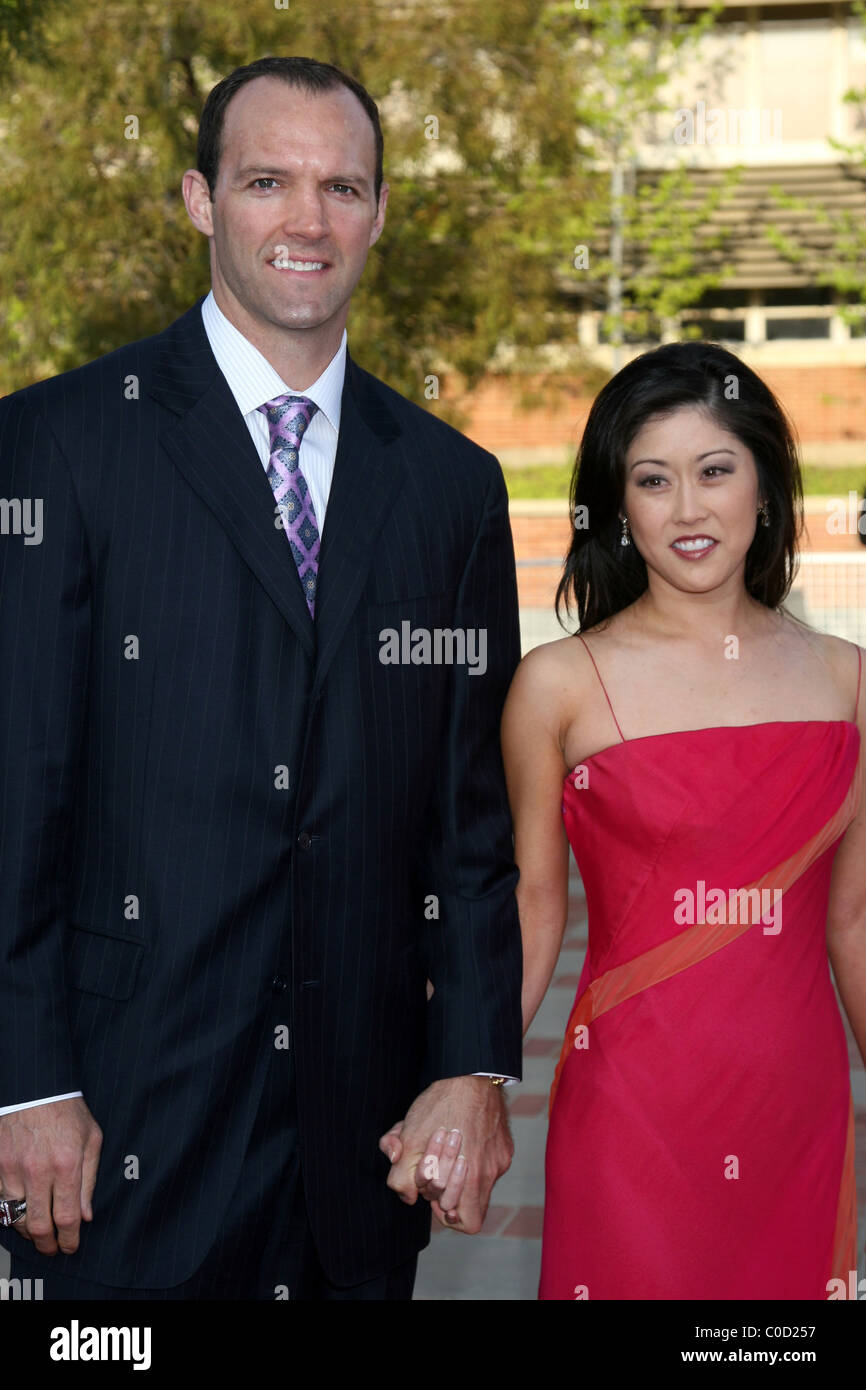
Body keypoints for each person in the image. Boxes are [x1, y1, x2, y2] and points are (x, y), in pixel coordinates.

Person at [0, 55, 523, 1301]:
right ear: (198, 199)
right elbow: (14, 784)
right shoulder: (57, 442)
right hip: (116, 1119)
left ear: (380, 212)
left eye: (342, 186)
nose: (307, 221)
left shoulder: (451, 485)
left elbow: (470, 823)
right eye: (266, 181)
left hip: (360, 1138)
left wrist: (472, 1065)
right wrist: (24, 1079)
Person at [498, 341, 866, 1299]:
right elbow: (533, 914)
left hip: (800, 1115)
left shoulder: (849, 682)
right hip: (630, 1115)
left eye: (716, 471)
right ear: (620, 507)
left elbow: (854, 921)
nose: (689, 509)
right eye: (653, 480)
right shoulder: (558, 685)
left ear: (767, 486)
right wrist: (469, 1083)